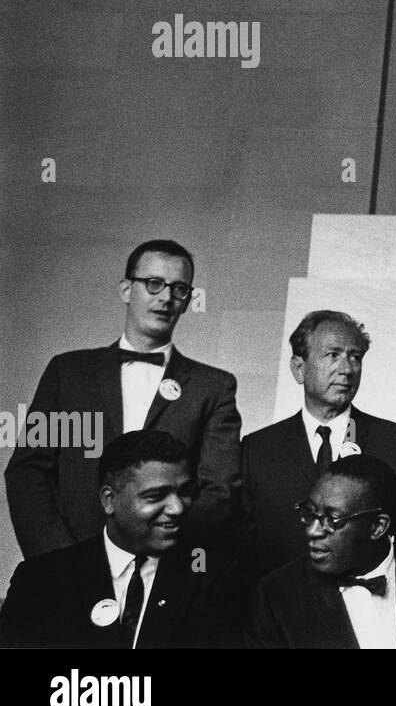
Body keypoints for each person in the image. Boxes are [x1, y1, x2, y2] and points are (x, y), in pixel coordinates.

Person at [5, 239, 241, 558]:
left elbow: (218, 492)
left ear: (187, 301)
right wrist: (59, 562)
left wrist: (159, 554)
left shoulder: (212, 387)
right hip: (67, 569)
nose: (166, 298)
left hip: (162, 576)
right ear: (126, 290)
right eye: (154, 284)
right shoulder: (69, 373)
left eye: (179, 289)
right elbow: (29, 472)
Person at [0, 431, 238, 648]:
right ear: (109, 500)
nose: (177, 508)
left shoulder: (213, 579)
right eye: (156, 496)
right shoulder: (40, 579)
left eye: (185, 492)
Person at [240, 310, 396, 577]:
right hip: (281, 610)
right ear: (299, 368)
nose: (347, 369)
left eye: (355, 357)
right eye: (333, 355)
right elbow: (241, 552)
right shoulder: (258, 449)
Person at [246, 455, 396, 649]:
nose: (313, 531)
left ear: (377, 527)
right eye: (310, 513)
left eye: (332, 520)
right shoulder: (276, 597)